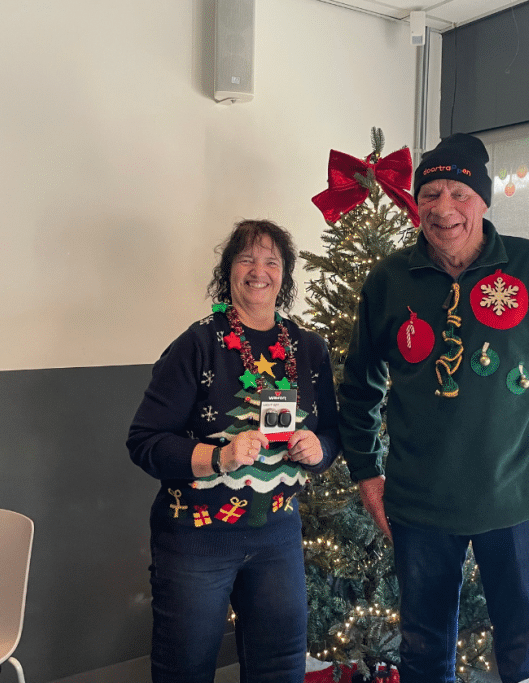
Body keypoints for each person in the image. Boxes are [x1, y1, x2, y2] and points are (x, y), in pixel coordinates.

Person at [337, 134, 529, 682]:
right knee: (423, 653)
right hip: (420, 505)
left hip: (520, 500)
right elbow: (359, 388)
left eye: (459, 193)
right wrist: (368, 475)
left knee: (528, 652)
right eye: (430, 194)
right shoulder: (389, 281)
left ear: (484, 201)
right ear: (417, 202)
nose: (444, 208)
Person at [128, 219, 340, 683]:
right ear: (228, 271)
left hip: (277, 536)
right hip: (196, 539)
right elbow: (144, 442)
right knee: (185, 669)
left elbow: (331, 432)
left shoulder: (309, 348)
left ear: (284, 274)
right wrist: (218, 457)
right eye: (246, 259)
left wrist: (318, 449)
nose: (258, 271)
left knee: (280, 668)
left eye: (271, 261)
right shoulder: (197, 344)